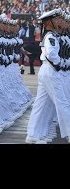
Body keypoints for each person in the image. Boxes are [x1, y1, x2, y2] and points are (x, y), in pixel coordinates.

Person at [26, 9, 70, 144]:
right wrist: (62, 62)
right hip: (52, 70)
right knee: (62, 103)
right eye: (57, 20)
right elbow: (51, 54)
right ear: (49, 22)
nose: (61, 22)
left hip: (52, 71)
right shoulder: (50, 36)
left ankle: (33, 134)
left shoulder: (56, 36)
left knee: (42, 104)